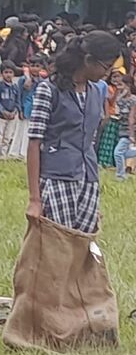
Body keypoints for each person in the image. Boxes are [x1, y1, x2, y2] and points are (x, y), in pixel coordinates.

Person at [26, 31, 120, 232]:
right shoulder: (48, 89)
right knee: (56, 242)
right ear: (88, 60)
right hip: (56, 177)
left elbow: (90, 138)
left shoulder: (96, 92)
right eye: (106, 67)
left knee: (81, 245)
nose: (107, 73)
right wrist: (35, 199)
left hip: (88, 178)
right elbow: (34, 142)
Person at [11, 54, 47, 160]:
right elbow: (18, 95)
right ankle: (15, 152)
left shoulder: (42, 82)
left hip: (35, 111)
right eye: (32, 66)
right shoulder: (23, 80)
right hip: (24, 109)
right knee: (20, 131)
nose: (34, 69)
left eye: (37, 66)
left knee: (30, 133)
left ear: (41, 67)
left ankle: (25, 153)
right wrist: (20, 109)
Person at [0, 61, 20, 158]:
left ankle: (3, 155)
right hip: (1, 115)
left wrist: (14, 112)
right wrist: (3, 111)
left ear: (14, 74)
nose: (8, 75)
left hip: (12, 116)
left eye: (10, 72)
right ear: (2, 73)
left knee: (7, 137)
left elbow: (18, 101)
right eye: (6, 72)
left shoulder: (15, 87)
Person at [114, 75, 136, 181]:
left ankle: (120, 175)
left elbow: (132, 118)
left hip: (129, 130)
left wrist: (131, 134)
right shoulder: (121, 99)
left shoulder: (133, 100)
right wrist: (121, 94)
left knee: (118, 153)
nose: (119, 87)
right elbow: (117, 108)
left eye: (121, 85)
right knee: (123, 153)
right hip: (122, 128)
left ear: (128, 85)